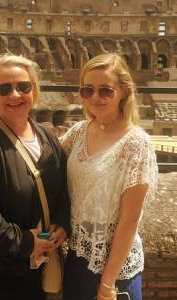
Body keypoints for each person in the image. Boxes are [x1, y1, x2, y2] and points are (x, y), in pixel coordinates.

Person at [0, 53, 70, 300]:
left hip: (37, 269)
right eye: (5, 88)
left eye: (23, 86)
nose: (15, 95)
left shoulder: (46, 137)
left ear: (34, 90)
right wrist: (26, 243)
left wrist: (61, 223)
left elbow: (62, 189)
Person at [61, 53, 158, 300]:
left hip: (114, 268)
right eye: (87, 90)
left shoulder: (136, 143)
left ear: (124, 91)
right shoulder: (79, 132)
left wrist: (107, 283)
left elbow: (129, 221)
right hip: (77, 256)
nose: (95, 97)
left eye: (106, 90)